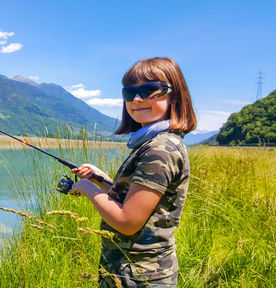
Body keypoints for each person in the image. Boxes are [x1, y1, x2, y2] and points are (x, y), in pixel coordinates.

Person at [72, 57, 196, 288]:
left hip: (140, 275)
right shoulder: (153, 143)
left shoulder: (160, 148)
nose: (138, 99)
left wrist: (87, 189)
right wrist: (102, 181)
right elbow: (134, 201)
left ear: (174, 95)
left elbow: (128, 221)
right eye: (130, 93)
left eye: (150, 90)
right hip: (129, 269)